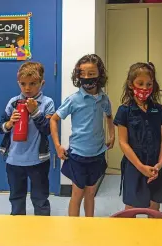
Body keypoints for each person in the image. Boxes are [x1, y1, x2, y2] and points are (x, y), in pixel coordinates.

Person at [51, 54, 115, 217]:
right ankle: (74, 229)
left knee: (91, 193)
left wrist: (112, 134)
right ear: (78, 76)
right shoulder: (73, 100)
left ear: (99, 74)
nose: (87, 78)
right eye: (83, 74)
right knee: (77, 194)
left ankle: (89, 226)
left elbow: (108, 115)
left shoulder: (103, 98)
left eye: (91, 74)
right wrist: (58, 146)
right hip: (78, 155)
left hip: (97, 153)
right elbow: (54, 119)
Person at [0, 62, 54, 216]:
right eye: (23, 84)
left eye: (33, 84)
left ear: (42, 83)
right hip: (14, 160)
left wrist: (35, 112)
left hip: (38, 160)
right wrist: (9, 123)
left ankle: (43, 229)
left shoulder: (47, 103)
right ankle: (17, 228)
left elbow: (47, 129)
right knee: (16, 197)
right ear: (18, 83)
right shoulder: (13, 102)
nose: (27, 88)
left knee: (40, 198)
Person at [113, 62, 162, 211]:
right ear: (131, 85)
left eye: (149, 84)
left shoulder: (158, 109)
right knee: (132, 206)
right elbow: (123, 142)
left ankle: (152, 234)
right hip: (134, 165)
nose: (145, 88)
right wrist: (140, 167)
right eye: (140, 83)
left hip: (156, 165)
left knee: (153, 205)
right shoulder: (124, 110)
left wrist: (161, 162)